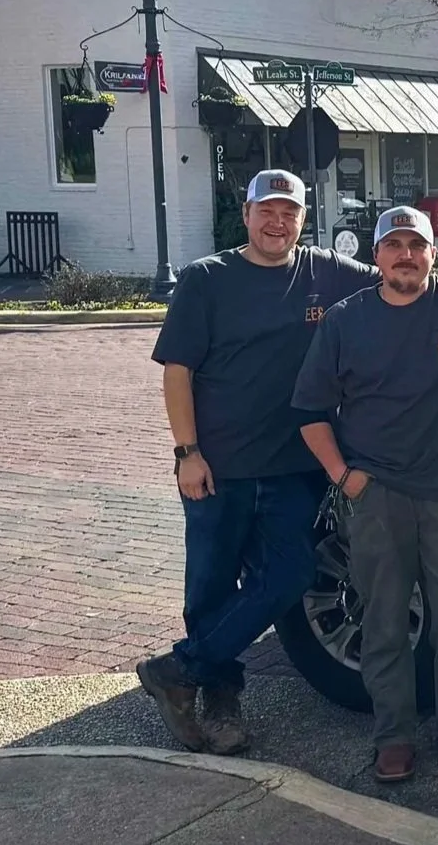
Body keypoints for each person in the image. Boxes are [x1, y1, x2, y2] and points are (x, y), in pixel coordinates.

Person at [140, 168, 379, 755]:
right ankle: (220, 703)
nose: (278, 222)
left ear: (303, 219)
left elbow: (406, 279)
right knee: (212, 587)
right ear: (245, 215)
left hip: (292, 467)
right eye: (266, 210)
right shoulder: (206, 279)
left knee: (291, 574)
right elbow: (178, 373)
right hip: (218, 468)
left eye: (289, 212)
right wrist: (187, 454)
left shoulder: (327, 272)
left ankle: (180, 670)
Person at [292, 205, 438, 784]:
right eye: (395, 246)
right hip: (377, 492)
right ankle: (393, 737)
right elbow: (311, 411)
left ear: (433, 254)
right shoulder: (345, 320)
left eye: (417, 245)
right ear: (377, 256)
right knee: (383, 618)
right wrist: (344, 476)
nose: (406, 256)